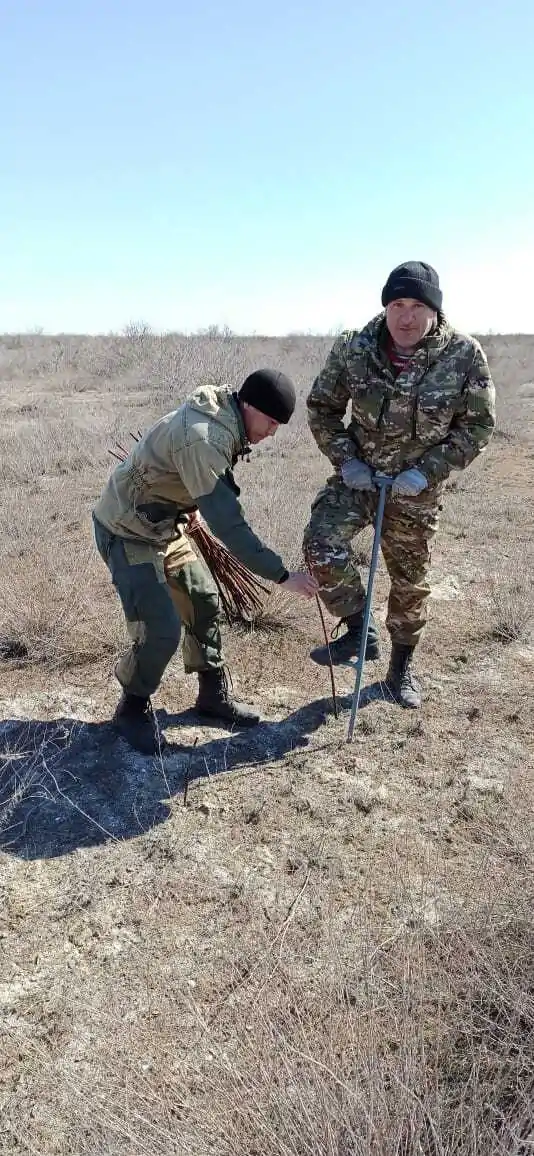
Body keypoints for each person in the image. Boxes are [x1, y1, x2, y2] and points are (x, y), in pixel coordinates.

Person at [93, 369, 318, 753]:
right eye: (270, 422)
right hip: (127, 530)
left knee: (202, 599)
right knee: (161, 628)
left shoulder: (225, 418)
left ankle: (211, 697)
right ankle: (131, 708)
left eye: (278, 426)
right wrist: (282, 575)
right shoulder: (205, 437)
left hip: (164, 526)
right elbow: (229, 526)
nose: (272, 433)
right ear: (249, 406)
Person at [303, 261, 496, 708]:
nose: (405, 317)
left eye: (417, 307)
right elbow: (322, 408)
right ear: (386, 306)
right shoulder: (355, 347)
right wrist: (347, 460)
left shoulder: (464, 355)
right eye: (397, 305)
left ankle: (400, 670)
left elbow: (478, 426)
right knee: (320, 543)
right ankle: (359, 629)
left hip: (415, 490)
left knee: (409, 582)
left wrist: (427, 471)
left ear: (434, 310)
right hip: (360, 479)